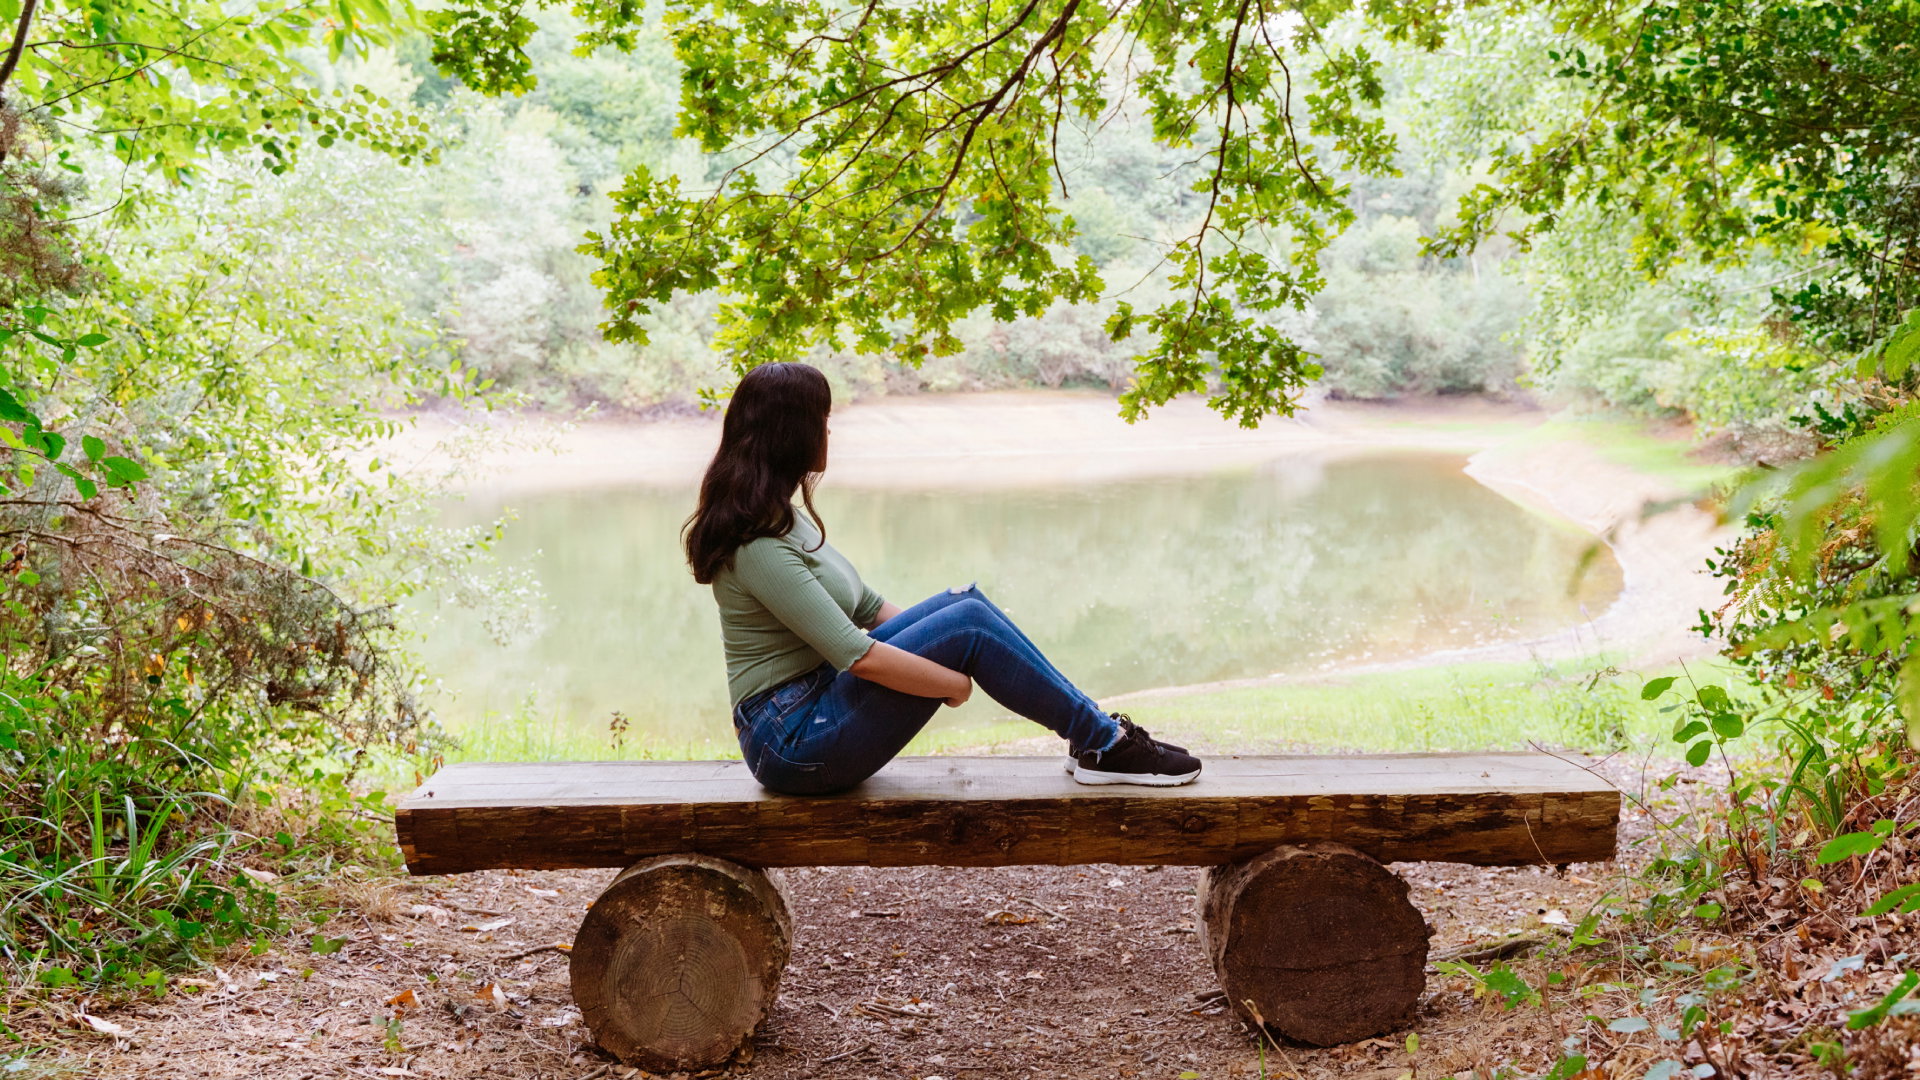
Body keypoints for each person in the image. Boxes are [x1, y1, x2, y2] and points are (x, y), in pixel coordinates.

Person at [683, 361, 1202, 796]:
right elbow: (857, 655)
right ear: (791, 433)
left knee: (965, 605)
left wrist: (948, 642)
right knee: (968, 625)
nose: (829, 432)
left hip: (816, 704)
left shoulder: (780, 518)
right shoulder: (757, 547)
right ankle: (1105, 744)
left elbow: (868, 608)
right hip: (790, 743)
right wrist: (953, 679)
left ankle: (1096, 736)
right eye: (823, 418)